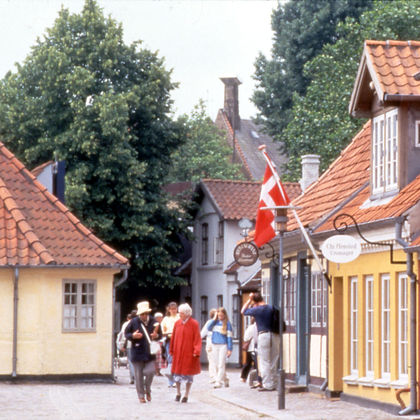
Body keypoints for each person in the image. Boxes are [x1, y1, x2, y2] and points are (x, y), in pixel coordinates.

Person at [241, 292, 279, 392]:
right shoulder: (272, 308)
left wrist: (249, 300)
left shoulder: (257, 310)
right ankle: (274, 382)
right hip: (275, 335)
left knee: (264, 361)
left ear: (255, 302)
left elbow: (243, 311)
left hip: (263, 335)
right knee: (274, 360)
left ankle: (267, 384)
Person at [125, 301, 162, 403]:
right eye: (142, 314)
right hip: (137, 352)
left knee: (150, 372)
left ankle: (148, 389)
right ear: (139, 314)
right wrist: (133, 336)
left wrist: (156, 336)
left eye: (146, 313)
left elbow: (161, 335)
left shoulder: (154, 322)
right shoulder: (134, 322)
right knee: (138, 375)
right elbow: (126, 334)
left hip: (150, 353)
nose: (144, 316)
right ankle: (141, 395)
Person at [170, 303, 202, 403]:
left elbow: (197, 338)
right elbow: (173, 337)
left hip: (189, 353)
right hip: (178, 352)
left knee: (188, 375)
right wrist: (171, 349)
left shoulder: (194, 324)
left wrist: (196, 351)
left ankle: (186, 394)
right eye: (180, 313)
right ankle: (178, 392)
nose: (180, 315)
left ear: (187, 314)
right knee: (177, 373)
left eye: (182, 313)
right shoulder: (177, 323)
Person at [206, 307, 233, 388]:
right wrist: (214, 319)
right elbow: (208, 328)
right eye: (219, 315)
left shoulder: (227, 323)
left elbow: (229, 337)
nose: (220, 317)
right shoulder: (214, 323)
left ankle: (218, 382)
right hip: (214, 344)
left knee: (221, 364)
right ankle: (225, 379)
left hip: (223, 345)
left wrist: (230, 349)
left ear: (225, 315)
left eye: (222, 315)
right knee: (216, 364)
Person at [161, 301, 180, 387]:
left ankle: (177, 379)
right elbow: (162, 330)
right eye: (171, 309)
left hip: (178, 339)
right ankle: (171, 381)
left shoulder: (179, 317)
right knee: (170, 359)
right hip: (169, 339)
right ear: (168, 310)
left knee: (177, 359)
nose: (173, 311)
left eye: (175, 309)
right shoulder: (166, 319)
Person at [116, 310, 137, 384]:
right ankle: (139, 377)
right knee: (139, 361)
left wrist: (122, 345)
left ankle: (132, 377)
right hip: (139, 345)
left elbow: (123, 336)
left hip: (129, 344)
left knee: (131, 361)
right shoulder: (141, 323)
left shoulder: (126, 324)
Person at [240, 317, 260, 386]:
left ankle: (243, 377)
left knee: (248, 363)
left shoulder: (250, 327)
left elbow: (246, 338)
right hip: (256, 348)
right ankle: (256, 379)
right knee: (256, 364)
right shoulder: (259, 327)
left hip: (250, 349)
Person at [200, 308, 217, 383]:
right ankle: (218, 376)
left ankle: (213, 376)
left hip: (210, 342)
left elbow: (202, 334)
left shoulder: (209, 322)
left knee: (211, 360)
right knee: (217, 360)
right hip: (218, 343)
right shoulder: (221, 322)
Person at [153, 312, 166, 376]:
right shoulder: (156, 324)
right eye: (160, 317)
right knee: (158, 358)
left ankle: (157, 371)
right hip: (156, 342)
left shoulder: (161, 324)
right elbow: (158, 334)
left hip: (160, 342)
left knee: (160, 357)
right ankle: (157, 371)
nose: (161, 318)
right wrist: (158, 336)